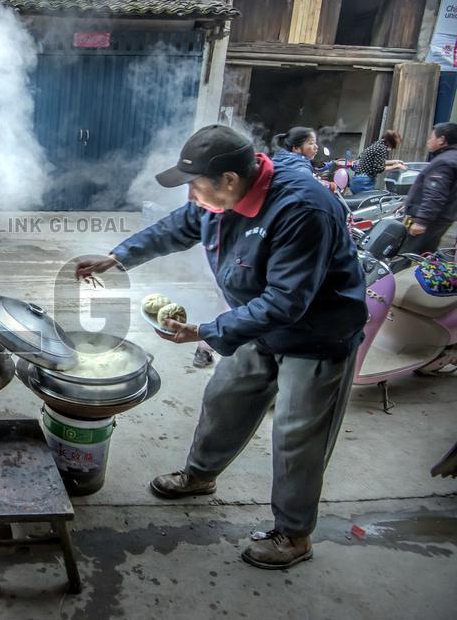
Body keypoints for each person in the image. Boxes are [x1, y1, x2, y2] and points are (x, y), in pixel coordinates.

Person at [75, 125, 367, 570]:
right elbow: (181, 225)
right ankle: (200, 476)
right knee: (225, 398)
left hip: (316, 335)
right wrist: (119, 256)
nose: (192, 196)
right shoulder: (221, 198)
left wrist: (206, 331)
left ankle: (293, 534)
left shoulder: (302, 209)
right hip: (255, 324)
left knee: (296, 436)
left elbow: (287, 301)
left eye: (196, 185)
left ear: (230, 179)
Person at [400, 122, 457, 255]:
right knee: (426, 256)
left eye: (432, 137)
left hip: (431, 221)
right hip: (440, 219)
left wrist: (421, 221)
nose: (428, 140)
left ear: (441, 140)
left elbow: (435, 194)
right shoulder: (450, 158)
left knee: (408, 256)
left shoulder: (444, 161)